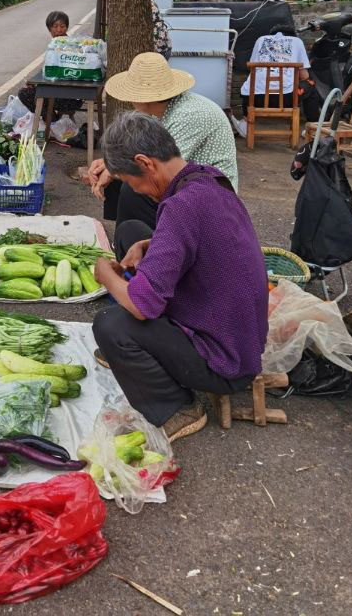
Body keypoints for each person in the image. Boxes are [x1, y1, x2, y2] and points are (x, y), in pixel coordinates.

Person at [92, 112, 269, 442]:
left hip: (226, 361)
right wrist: (149, 244)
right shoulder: (206, 178)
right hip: (240, 335)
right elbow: (200, 240)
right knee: (131, 230)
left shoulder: (181, 206)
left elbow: (142, 307)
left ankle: (178, 408)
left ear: (145, 163)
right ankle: (149, 350)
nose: (139, 192)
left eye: (133, 183)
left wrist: (105, 275)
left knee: (111, 324)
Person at [87, 52, 238, 230]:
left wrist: (114, 170)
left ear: (143, 98)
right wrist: (110, 164)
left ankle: (142, 241)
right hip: (186, 183)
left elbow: (160, 166)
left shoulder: (189, 114)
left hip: (211, 197)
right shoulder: (165, 111)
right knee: (120, 172)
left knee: (132, 186)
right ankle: (127, 234)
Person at [231, 24, 317, 137]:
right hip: (287, 99)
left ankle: (246, 124)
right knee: (310, 84)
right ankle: (313, 127)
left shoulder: (261, 40)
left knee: (249, 86)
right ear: (292, 36)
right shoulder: (297, 42)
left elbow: (251, 67)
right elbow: (304, 76)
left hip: (256, 100)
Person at [17, 11, 79, 119]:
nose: (59, 30)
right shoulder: (53, 45)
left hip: (69, 98)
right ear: (49, 28)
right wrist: (35, 83)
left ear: (67, 27)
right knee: (26, 91)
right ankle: (53, 121)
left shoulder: (74, 46)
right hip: (58, 93)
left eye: (62, 26)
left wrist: (39, 84)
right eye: (55, 26)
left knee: (26, 94)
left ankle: (52, 122)